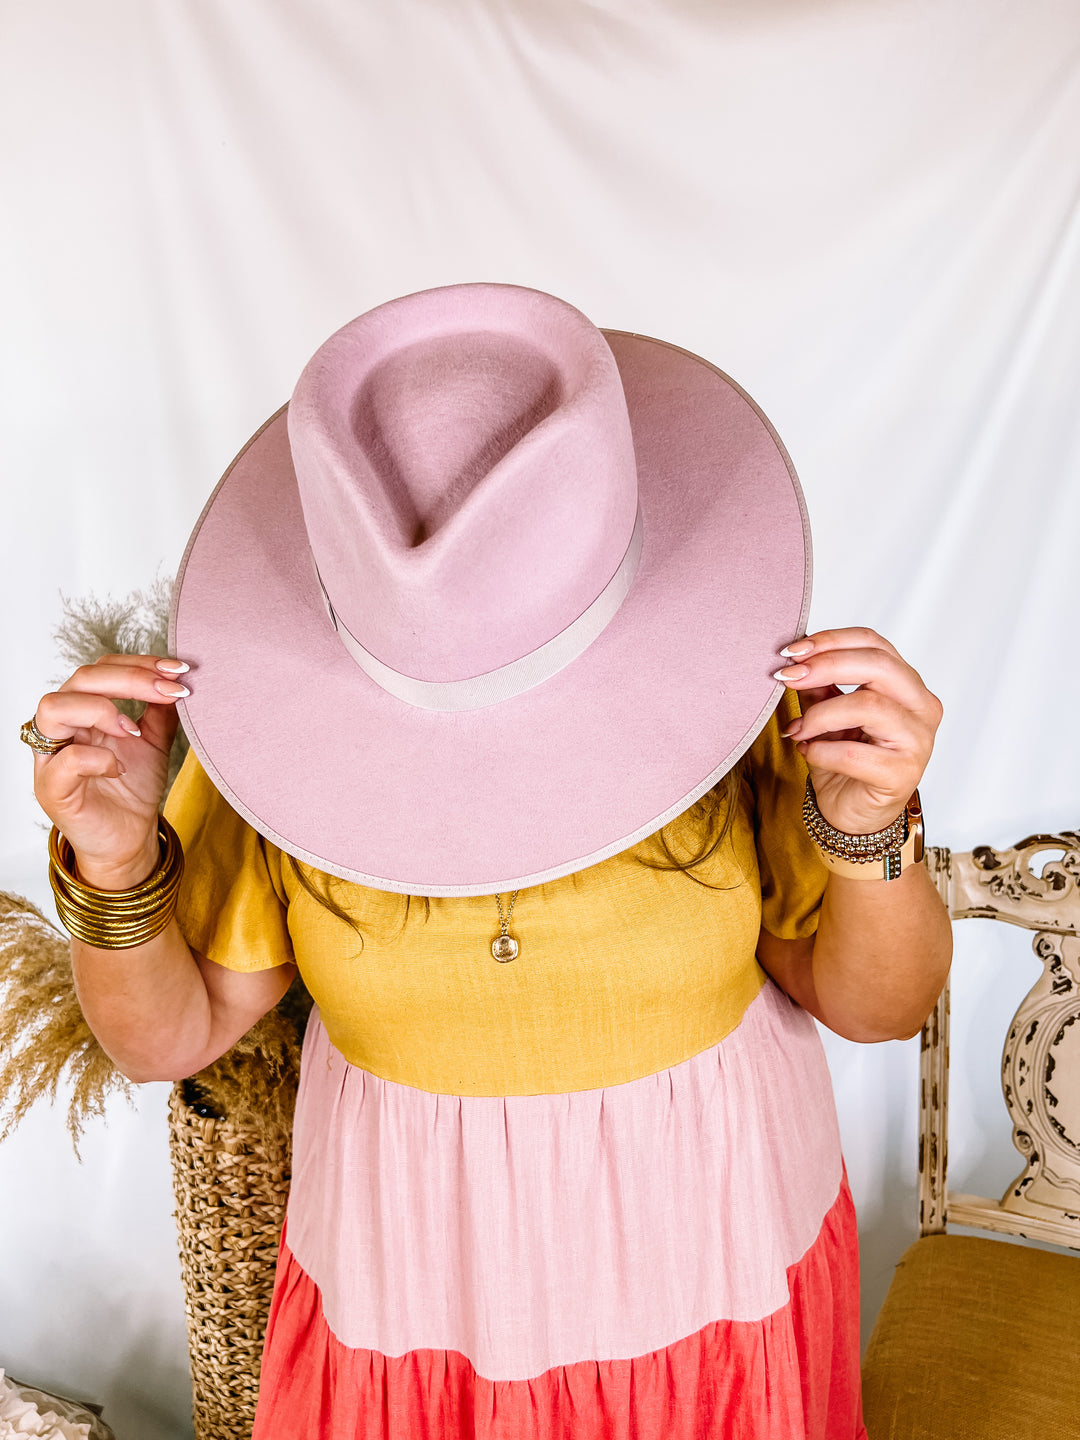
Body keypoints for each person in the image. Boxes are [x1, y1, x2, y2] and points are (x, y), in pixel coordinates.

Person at [24, 283, 951, 1440]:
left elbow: (879, 1006)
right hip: (414, 1297)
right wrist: (113, 864)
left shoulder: (737, 697)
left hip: (719, 1260)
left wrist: (870, 825)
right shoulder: (274, 744)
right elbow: (166, 1038)